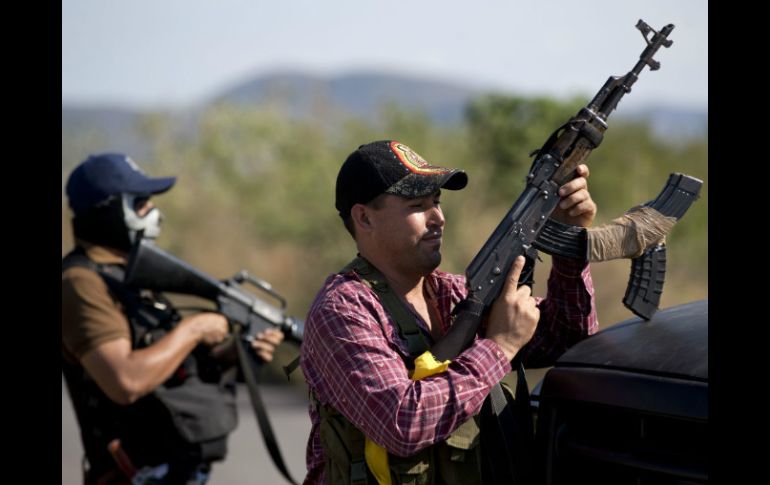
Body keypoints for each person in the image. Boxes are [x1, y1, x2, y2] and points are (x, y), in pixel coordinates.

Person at [299, 140, 599, 484]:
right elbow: (402, 423)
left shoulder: (453, 292)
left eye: (437, 202)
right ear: (364, 217)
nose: (438, 218)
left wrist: (570, 237)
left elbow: (569, 338)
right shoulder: (343, 310)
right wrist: (499, 348)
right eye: (418, 205)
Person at [61, 153, 285, 485]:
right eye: (140, 203)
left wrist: (238, 355)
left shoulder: (123, 277)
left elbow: (169, 373)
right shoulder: (81, 282)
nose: (153, 213)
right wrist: (193, 329)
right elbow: (126, 382)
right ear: (108, 211)